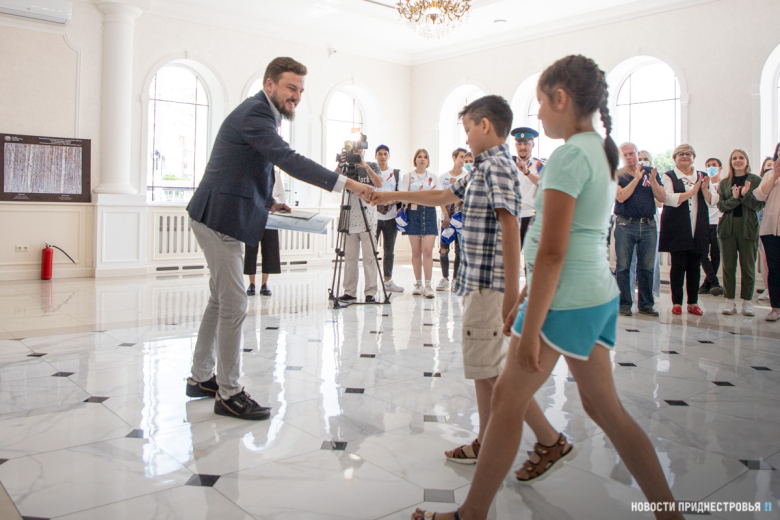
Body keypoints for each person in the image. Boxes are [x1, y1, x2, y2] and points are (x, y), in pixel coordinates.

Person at [409, 55, 683, 520]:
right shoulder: (598, 149)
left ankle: (471, 514)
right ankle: (669, 512)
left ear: (561, 98)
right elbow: (567, 241)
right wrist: (523, 295)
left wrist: (530, 325)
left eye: (540, 103)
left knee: (507, 401)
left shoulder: (569, 157)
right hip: (594, 294)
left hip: (565, 300)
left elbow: (553, 252)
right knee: (605, 410)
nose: (536, 114)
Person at [372, 95, 572, 484]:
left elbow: (511, 228)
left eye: (467, 130)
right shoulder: (481, 167)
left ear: (485, 125)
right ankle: (485, 439)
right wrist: (394, 195)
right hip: (477, 283)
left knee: (495, 373)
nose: (465, 139)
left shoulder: (497, 167)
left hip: (489, 286)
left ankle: (549, 439)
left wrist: (510, 296)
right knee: (484, 369)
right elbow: (444, 196)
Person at [185, 57, 372, 421]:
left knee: (219, 300)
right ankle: (229, 393)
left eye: (300, 90)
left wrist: (271, 202)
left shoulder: (264, 115)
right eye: (290, 87)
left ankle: (200, 378)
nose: (296, 96)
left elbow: (250, 165)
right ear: (269, 84)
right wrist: (348, 183)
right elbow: (287, 159)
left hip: (220, 214)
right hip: (217, 217)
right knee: (234, 302)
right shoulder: (256, 113)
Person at [659, 144, 719, 316]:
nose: (684, 156)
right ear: (674, 158)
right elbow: (668, 198)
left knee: (694, 266)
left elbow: (713, 200)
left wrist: (704, 189)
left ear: (693, 157)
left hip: (698, 227)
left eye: (688, 153)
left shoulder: (702, 176)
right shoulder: (669, 176)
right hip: (677, 227)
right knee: (678, 265)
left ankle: (693, 302)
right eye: (680, 154)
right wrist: (692, 191)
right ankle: (677, 302)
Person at [613, 142, 665, 317]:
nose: (629, 157)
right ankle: (624, 304)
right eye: (625, 155)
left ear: (637, 153)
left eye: (631, 153)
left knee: (647, 268)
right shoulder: (617, 174)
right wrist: (636, 179)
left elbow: (662, 198)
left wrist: (653, 182)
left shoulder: (650, 172)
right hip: (625, 224)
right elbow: (621, 197)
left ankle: (646, 304)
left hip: (648, 225)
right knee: (623, 267)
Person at [717, 149, 764, 316]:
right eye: (734, 158)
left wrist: (744, 196)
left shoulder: (756, 180)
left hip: (748, 228)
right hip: (727, 228)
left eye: (741, 157)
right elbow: (721, 206)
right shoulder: (724, 183)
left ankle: (747, 302)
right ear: (730, 161)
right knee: (728, 266)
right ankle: (729, 301)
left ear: (746, 160)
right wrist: (736, 198)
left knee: (748, 266)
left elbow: (758, 205)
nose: (737, 160)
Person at [335, 145, 384, 303]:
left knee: (369, 257)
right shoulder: (345, 167)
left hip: (368, 218)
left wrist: (364, 165)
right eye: (353, 150)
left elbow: (379, 183)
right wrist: (340, 164)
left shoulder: (372, 165)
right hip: (349, 216)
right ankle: (349, 291)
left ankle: (371, 292)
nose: (356, 153)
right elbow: (334, 184)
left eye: (359, 150)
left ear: (363, 150)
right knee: (350, 258)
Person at [400, 149, 441, 298]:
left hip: (429, 212)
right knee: (416, 251)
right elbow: (403, 196)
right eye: (419, 156)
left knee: (428, 251)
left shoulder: (433, 177)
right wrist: (420, 195)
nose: (422, 159)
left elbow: (439, 196)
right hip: (413, 212)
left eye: (425, 157)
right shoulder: (408, 176)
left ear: (428, 161)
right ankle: (418, 283)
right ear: (415, 159)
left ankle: (428, 284)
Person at [245, 168, 288, 297]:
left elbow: (282, 196)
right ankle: (251, 284)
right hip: (253, 216)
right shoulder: (251, 173)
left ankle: (264, 284)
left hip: (271, 218)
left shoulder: (275, 175)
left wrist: (271, 202)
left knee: (269, 250)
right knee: (251, 250)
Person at [753, 144, 780, 320]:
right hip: (770, 229)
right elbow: (760, 195)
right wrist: (775, 175)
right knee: (774, 268)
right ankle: (775, 308)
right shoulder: (770, 174)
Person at [373, 144, 404, 293]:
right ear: (375, 156)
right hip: (374, 217)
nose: (383, 156)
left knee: (389, 250)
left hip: (391, 217)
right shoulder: (371, 173)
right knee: (371, 249)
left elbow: (400, 194)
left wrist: (391, 201)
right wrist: (379, 203)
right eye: (380, 154)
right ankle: (372, 280)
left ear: (389, 156)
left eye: (385, 154)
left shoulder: (395, 173)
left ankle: (388, 280)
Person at [437, 148, 469, 291]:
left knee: (459, 250)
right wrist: (446, 215)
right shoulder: (443, 177)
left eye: (465, 158)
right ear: (454, 158)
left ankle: (456, 279)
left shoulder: (467, 176)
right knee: (444, 249)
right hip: (446, 218)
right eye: (461, 157)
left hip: (460, 219)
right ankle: (444, 278)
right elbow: (440, 197)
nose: (463, 160)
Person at [633, 149, 662, 298]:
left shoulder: (654, 176)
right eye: (640, 158)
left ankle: (652, 292)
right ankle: (630, 292)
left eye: (646, 159)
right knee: (631, 261)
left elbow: (660, 201)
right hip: (632, 222)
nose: (642, 161)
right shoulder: (630, 175)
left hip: (651, 221)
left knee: (651, 262)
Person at [510, 127, 544, 247]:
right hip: (512, 216)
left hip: (531, 217)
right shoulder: (509, 165)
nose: (522, 147)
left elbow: (543, 183)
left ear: (532, 145)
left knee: (532, 254)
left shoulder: (539, 165)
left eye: (526, 144)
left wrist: (527, 172)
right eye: (519, 144)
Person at [698, 158, 725, 296]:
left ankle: (707, 284)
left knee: (715, 254)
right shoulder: (704, 185)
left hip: (718, 223)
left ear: (720, 168)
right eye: (708, 165)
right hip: (704, 223)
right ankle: (714, 283)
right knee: (702, 254)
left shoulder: (724, 185)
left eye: (714, 165)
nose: (711, 167)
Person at [757, 156, 775, 302]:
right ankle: (769, 289)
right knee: (765, 258)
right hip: (764, 220)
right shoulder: (764, 179)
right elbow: (759, 196)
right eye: (768, 165)